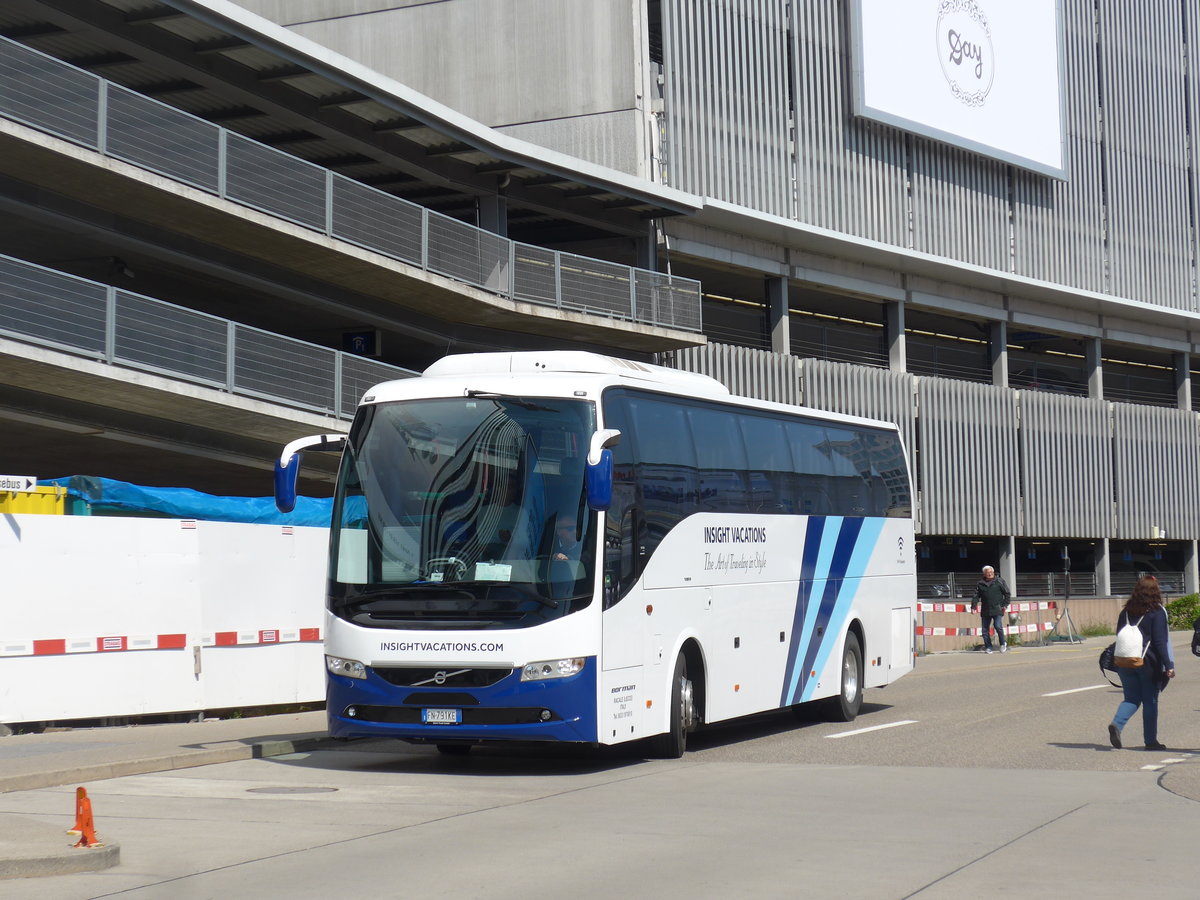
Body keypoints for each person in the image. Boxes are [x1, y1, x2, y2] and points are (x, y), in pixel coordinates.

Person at [1107, 575, 1175, 751]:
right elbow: (1160, 642)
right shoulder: (1157, 612)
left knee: (1131, 698)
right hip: (1148, 663)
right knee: (1150, 701)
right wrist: (1169, 665)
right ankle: (1150, 741)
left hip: (1124, 661)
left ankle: (1117, 724)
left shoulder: (1126, 611)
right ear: (1155, 591)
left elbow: (1119, 635)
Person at [971, 565, 1011, 654]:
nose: (990, 574)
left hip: (997, 609)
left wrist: (1004, 605)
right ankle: (988, 646)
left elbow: (1007, 594)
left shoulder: (999, 581)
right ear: (984, 574)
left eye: (991, 572)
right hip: (985, 610)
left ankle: (1002, 643)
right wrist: (973, 606)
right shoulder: (980, 584)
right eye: (987, 573)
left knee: (998, 626)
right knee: (985, 630)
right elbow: (976, 596)